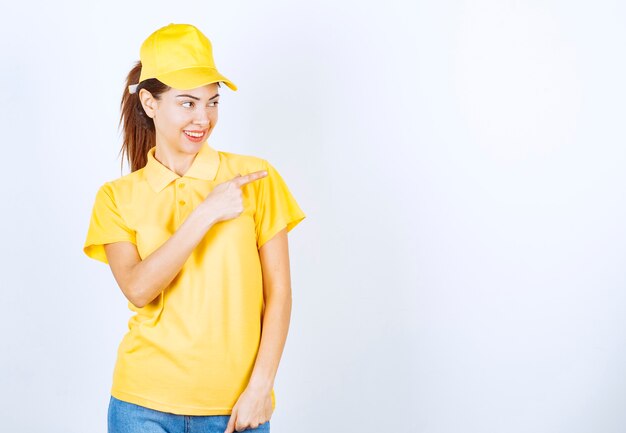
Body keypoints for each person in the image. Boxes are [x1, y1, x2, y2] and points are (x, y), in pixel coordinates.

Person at [83, 23, 306, 433]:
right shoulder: (116, 197)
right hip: (141, 406)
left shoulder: (256, 177)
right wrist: (206, 213)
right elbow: (137, 287)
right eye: (187, 103)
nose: (203, 118)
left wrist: (262, 387)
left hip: (237, 408)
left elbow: (280, 293)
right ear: (150, 103)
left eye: (212, 102)